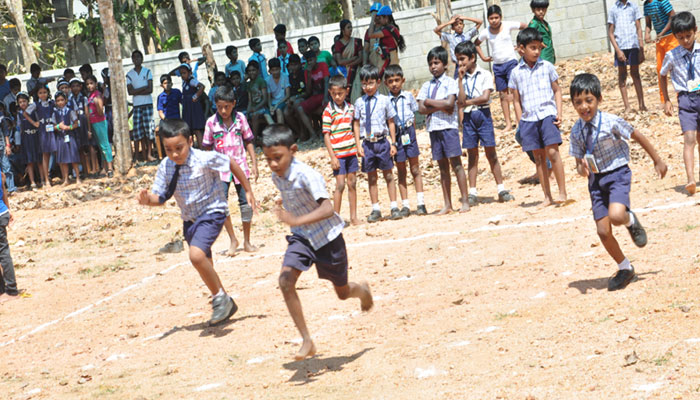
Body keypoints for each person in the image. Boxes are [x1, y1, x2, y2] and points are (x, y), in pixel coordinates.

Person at [262, 123, 373, 360]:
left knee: (342, 293)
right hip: (301, 238)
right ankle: (307, 340)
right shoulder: (277, 176)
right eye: (268, 159)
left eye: (277, 158)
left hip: (328, 239)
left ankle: (362, 291)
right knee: (285, 281)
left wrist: (297, 217)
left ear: (293, 150)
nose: (272, 164)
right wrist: (287, 209)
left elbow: (328, 208)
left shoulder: (307, 175)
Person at [138, 119, 257, 325]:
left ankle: (220, 297)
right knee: (204, 263)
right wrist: (148, 201)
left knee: (195, 255)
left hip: (212, 212)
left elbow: (230, 162)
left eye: (179, 148)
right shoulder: (166, 167)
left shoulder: (203, 158)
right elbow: (161, 198)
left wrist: (247, 190)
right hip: (190, 220)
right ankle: (223, 301)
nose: (175, 154)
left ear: (190, 141)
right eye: (168, 149)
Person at [569, 73, 667, 291]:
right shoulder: (576, 131)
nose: (584, 107)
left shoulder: (610, 122)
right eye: (578, 102)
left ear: (599, 99)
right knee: (603, 232)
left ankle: (630, 219)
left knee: (616, 217)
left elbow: (637, 135)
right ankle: (625, 268)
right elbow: (577, 161)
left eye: (589, 101)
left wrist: (657, 160)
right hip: (596, 181)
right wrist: (580, 167)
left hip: (617, 175)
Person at [509, 28, 567, 206]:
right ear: (521, 49)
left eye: (538, 48)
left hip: (547, 115)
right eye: (532, 47)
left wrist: (559, 113)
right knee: (539, 158)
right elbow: (516, 100)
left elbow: (557, 90)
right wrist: (520, 123)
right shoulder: (516, 72)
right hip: (529, 120)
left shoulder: (547, 67)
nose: (536, 51)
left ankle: (562, 193)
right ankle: (547, 196)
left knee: (552, 152)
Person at [454, 41, 514, 206]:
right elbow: (459, 100)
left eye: (463, 59)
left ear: (473, 58)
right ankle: (472, 192)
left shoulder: (485, 75)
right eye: (458, 60)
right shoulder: (460, 78)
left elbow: (485, 97)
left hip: (483, 115)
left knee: (491, 153)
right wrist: (459, 82)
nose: (460, 63)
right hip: (468, 118)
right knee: (472, 156)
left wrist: (467, 102)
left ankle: (501, 189)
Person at [202, 85, 258, 256]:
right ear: (215, 105)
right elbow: (206, 148)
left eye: (227, 106)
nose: (223, 110)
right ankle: (233, 239)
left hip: (241, 167)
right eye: (219, 107)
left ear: (234, 103)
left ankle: (247, 240)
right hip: (220, 171)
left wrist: (254, 163)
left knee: (245, 203)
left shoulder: (241, 119)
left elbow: (248, 141)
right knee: (222, 204)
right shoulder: (211, 123)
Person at [417, 47, 469, 214]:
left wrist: (430, 102)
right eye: (431, 63)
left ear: (445, 65)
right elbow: (421, 109)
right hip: (434, 129)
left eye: (437, 63)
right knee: (443, 167)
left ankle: (465, 201)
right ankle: (447, 204)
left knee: (457, 165)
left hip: (448, 128)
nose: (433, 66)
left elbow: (450, 104)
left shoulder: (451, 83)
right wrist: (438, 104)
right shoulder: (426, 85)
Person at [659, 11, 700, 195]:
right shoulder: (671, 55)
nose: (685, 41)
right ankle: (690, 179)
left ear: (695, 31)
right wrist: (666, 99)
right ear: (675, 36)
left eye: (688, 36)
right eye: (680, 37)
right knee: (689, 139)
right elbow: (662, 75)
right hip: (685, 100)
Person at [353, 64, 400, 222]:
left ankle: (394, 206)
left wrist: (393, 143)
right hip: (368, 144)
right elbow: (357, 123)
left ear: (378, 82)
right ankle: (376, 209)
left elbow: (391, 121)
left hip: (382, 142)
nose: (367, 87)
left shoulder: (385, 100)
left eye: (371, 83)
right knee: (371, 177)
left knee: (388, 174)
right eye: (364, 84)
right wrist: (358, 144)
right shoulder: (359, 102)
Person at [384, 65, 427, 216]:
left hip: (408, 132)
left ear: (403, 80)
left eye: (397, 80)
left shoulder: (408, 96)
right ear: (385, 83)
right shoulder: (386, 101)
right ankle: (406, 205)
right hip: (396, 136)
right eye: (390, 81)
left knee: (415, 168)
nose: (394, 84)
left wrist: (412, 133)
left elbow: (414, 116)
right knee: (401, 170)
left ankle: (421, 203)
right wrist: (393, 141)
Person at [474, 5, 527, 131]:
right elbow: (476, 44)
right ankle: (508, 123)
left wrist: (520, 45)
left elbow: (525, 26)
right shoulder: (486, 32)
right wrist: (483, 57)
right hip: (497, 66)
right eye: (491, 18)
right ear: (488, 19)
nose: (494, 20)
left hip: (511, 63)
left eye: (496, 17)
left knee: (515, 93)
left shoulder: (508, 25)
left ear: (500, 17)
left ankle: (520, 121)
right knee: (503, 95)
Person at [322, 75, 360, 224]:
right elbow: (326, 135)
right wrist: (332, 157)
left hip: (351, 152)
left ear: (347, 91)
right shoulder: (328, 111)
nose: (337, 97)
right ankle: (335, 218)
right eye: (334, 94)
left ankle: (353, 217)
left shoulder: (351, 109)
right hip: (338, 154)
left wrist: (358, 146)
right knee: (340, 185)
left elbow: (355, 127)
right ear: (330, 92)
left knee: (352, 183)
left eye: (340, 93)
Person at [608, 0, 647, 113]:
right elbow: (611, 33)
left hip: (633, 45)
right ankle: (627, 107)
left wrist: (641, 47)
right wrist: (618, 50)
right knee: (622, 75)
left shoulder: (633, 6)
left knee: (635, 74)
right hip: (621, 47)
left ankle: (642, 104)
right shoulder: (613, 9)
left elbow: (639, 28)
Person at [644, 0, 677, 104]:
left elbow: (673, 16)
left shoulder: (662, 1)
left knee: (675, 68)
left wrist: (661, 33)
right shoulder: (646, 5)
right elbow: (648, 23)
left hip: (671, 38)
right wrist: (647, 33)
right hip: (660, 40)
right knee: (660, 69)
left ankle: (680, 96)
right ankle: (664, 100)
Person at [126, 50, 156, 162]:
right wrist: (144, 88)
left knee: (149, 131)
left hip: (147, 104)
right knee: (138, 132)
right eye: (134, 57)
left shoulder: (147, 71)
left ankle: (149, 154)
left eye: (138, 57)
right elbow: (130, 92)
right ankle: (138, 156)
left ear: (142, 58)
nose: (136, 59)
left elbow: (151, 89)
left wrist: (136, 90)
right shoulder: (129, 74)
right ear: (132, 60)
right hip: (137, 106)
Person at [365, 5, 406, 77]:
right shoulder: (392, 27)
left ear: (386, 18)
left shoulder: (388, 29)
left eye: (380, 17)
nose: (378, 19)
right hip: (388, 59)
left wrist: (372, 20)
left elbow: (371, 35)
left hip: (388, 61)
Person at [298, 51, 330, 141]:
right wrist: (308, 74)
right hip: (315, 96)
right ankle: (313, 134)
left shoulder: (322, 65)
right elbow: (308, 91)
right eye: (308, 61)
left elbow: (327, 81)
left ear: (316, 59)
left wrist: (326, 97)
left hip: (325, 93)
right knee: (300, 108)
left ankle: (326, 133)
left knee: (325, 107)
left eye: (311, 60)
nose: (310, 62)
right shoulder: (307, 71)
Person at [86, 75, 114, 177]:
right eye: (87, 84)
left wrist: (98, 104)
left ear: (95, 83)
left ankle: (110, 167)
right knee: (100, 146)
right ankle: (104, 167)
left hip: (100, 122)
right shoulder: (90, 96)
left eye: (91, 83)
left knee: (105, 145)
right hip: (93, 123)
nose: (89, 86)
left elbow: (100, 111)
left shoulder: (97, 95)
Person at [52, 91, 81, 186]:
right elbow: (52, 127)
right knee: (63, 160)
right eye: (58, 100)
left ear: (66, 100)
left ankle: (77, 178)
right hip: (60, 137)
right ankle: (66, 179)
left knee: (73, 158)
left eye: (62, 100)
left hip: (70, 136)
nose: (60, 102)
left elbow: (77, 123)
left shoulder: (70, 111)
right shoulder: (55, 113)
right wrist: (58, 126)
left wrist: (69, 127)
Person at [333, 20, 363, 99]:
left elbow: (360, 58)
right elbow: (340, 61)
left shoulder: (357, 41)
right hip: (344, 72)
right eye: (348, 27)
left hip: (357, 70)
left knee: (358, 91)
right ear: (343, 30)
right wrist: (353, 58)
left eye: (351, 27)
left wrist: (349, 64)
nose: (351, 29)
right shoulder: (338, 44)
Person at [179, 63, 206, 147]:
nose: (182, 75)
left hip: (193, 107)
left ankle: (202, 148)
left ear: (189, 72)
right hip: (187, 108)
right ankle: (191, 149)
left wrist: (195, 96)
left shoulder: (192, 81)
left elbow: (202, 86)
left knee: (197, 128)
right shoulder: (184, 83)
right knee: (188, 129)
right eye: (181, 74)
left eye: (184, 73)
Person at [17, 92, 40, 188]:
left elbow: (38, 122)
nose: (22, 104)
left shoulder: (34, 111)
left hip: (35, 136)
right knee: (29, 161)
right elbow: (19, 128)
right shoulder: (19, 114)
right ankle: (32, 181)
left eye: (24, 101)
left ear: (28, 101)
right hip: (26, 138)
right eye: (20, 102)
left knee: (39, 159)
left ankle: (42, 179)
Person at [245, 61, 274, 137]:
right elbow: (250, 100)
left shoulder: (261, 81)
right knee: (244, 117)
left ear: (257, 71)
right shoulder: (249, 84)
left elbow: (265, 99)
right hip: (254, 108)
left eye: (253, 70)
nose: (251, 73)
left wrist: (255, 108)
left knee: (255, 115)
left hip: (262, 107)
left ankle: (254, 139)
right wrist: (248, 112)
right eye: (249, 71)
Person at [0, 171, 17, 299]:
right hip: (2, 212)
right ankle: (6, 288)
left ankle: (11, 288)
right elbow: (4, 192)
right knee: (3, 250)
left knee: (3, 251)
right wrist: (8, 210)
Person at [69, 78, 91, 178]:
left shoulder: (84, 98)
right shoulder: (69, 99)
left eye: (77, 86)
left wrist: (89, 130)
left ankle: (87, 172)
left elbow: (87, 114)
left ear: (81, 87)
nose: (75, 88)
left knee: (84, 149)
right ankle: (77, 173)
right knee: (76, 149)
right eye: (73, 86)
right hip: (74, 127)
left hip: (82, 125)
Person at [35, 86, 56, 187]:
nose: (43, 94)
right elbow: (25, 113)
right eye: (40, 93)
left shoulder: (52, 103)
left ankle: (65, 176)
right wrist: (35, 123)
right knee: (45, 154)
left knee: (57, 151)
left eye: (44, 92)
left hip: (53, 129)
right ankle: (46, 179)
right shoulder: (36, 105)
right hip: (43, 130)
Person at [284, 55, 306, 138]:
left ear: (300, 64)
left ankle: (304, 132)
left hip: (303, 98)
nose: (293, 67)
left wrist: (296, 97)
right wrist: (289, 100)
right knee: (286, 113)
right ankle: (299, 132)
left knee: (297, 106)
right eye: (291, 65)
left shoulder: (303, 74)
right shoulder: (289, 77)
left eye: (295, 64)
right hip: (292, 100)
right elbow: (289, 92)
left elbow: (307, 91)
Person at [528, 0, 555, 64]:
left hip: (549, 54)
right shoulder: (534, 23)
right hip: (542, 55)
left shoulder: (544, 22)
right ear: (533, 10)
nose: (541, 12)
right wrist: (540, 44)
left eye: (543, 9)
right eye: (538, 9)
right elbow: (529, 36)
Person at [267, 58, 290, 124]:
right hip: (273, 102)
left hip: (283, 101)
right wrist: (270, 106)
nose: (275, 72)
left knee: (278, 110)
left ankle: (281, 131)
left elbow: (287, 94)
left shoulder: (285, 76)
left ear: (280, 68)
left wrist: (277, 104)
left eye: (277, 69)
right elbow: (269, 97)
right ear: (270, 71)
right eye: (273, 70)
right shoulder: (267, 80)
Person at [0, 103, 16, 194]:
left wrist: (7, 146)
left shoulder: (1, 118)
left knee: (7, 167)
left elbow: (6, 133)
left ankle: (11, 188)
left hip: (2, 145)